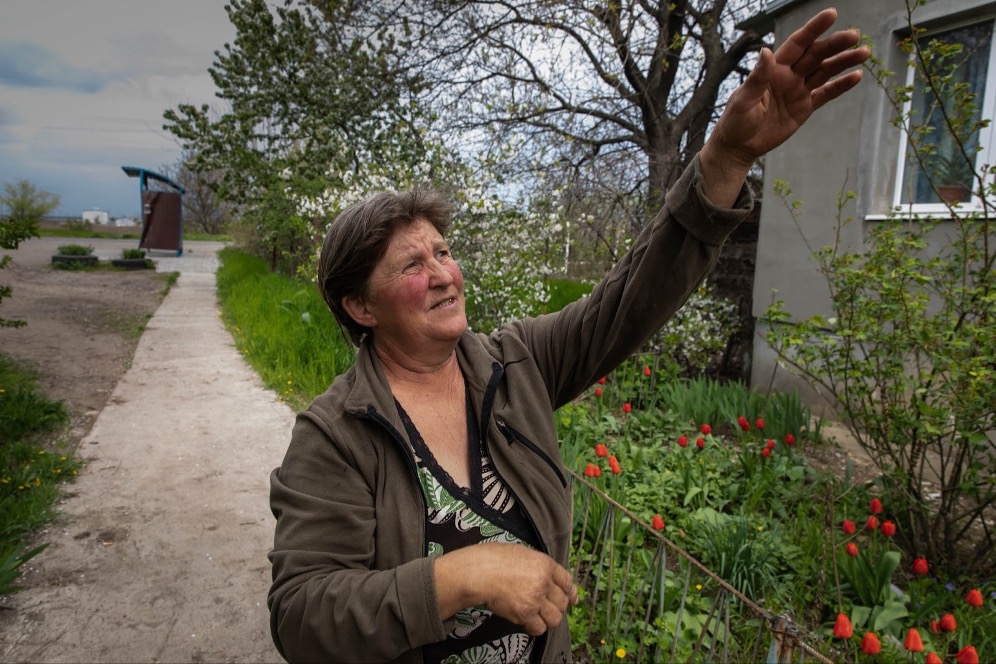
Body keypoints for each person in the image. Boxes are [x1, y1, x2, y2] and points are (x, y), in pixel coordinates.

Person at [268, 8, 870, 663]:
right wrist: (457, 577)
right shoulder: (335, 434)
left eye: (443, 252)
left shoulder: (517, 363)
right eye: (413, 264)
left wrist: (723, 159)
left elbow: (627, 302)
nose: (444, 274)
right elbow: (302, 617)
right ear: (360, 305)